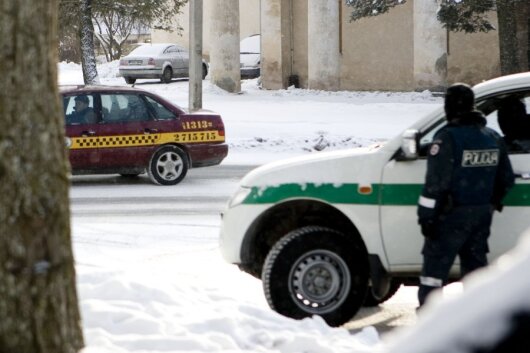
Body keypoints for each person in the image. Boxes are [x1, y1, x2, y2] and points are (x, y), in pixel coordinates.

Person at [416, 83, 515, 306]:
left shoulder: (447, 138)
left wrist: (426, 218)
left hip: (449, 217)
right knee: (475, 277)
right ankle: (476, 323)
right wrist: (490, 203)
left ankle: (429, 326)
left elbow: (435, 185)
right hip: (480, 216)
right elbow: (506, 179)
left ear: (449, 106)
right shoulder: (491, 137)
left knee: (433, 275)